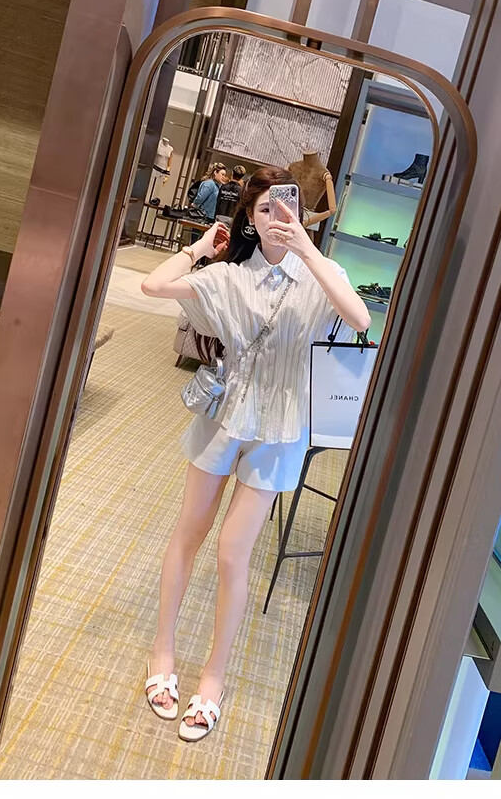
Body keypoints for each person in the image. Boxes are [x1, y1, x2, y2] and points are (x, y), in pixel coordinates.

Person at [140, 166, 370, 742]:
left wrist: (308, 249)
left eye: (285, 207)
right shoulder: (230, 277)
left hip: (280, 427)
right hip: (224, 416)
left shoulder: (319, 276)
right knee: (188, 535)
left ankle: (213, 679)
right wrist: (200, 247)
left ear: (301, 212)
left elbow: (360, 317)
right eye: (264, 209)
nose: (276, 218)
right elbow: (153, 286)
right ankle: (162, 653)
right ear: (249, 217)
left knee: (231, 554)